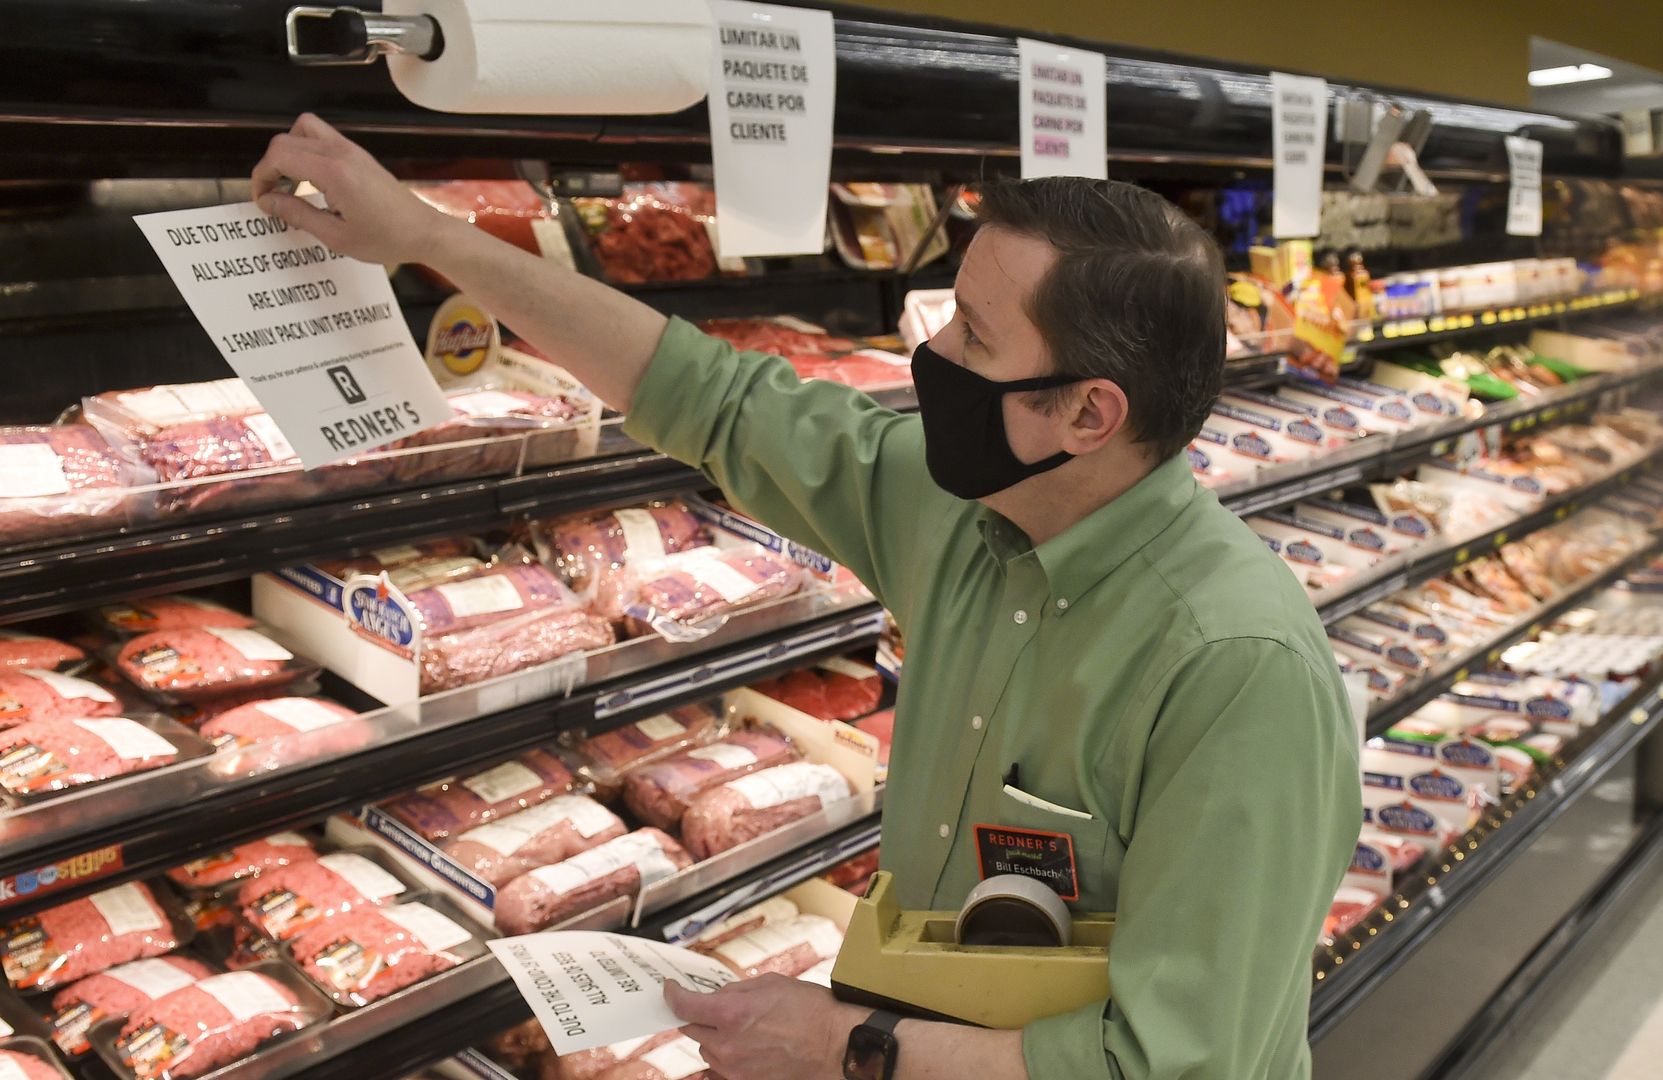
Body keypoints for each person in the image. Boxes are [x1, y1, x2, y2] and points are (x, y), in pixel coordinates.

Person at [253, 114, 1360, 1080]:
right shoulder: (963, 507)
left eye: (973, 336)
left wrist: (848, 1049)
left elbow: (1176, 1067)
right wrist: (427, 240)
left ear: (1088, 415)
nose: (932, 352)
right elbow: (707, 393)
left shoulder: (1233, 669)